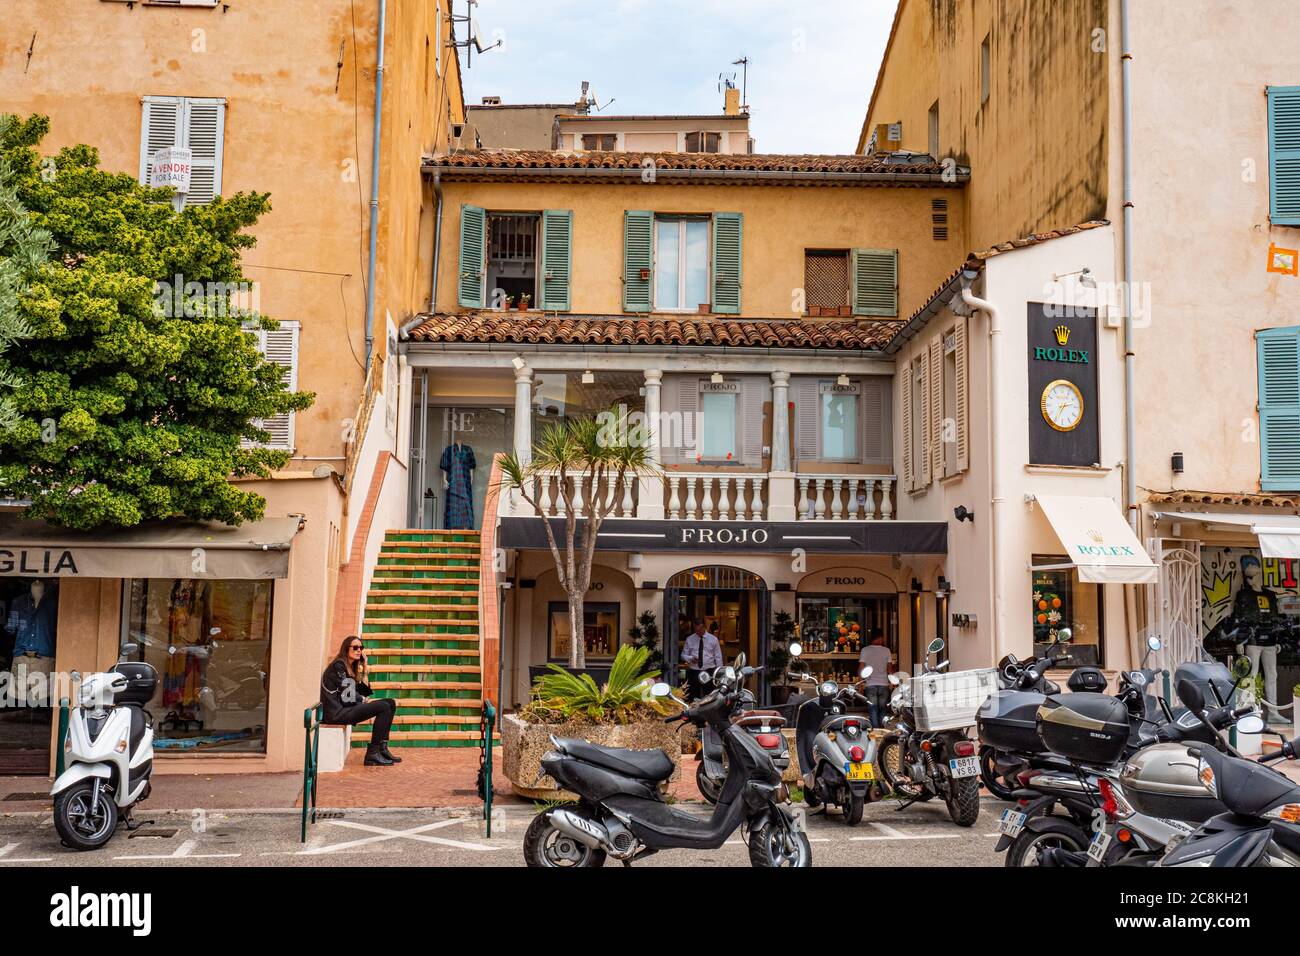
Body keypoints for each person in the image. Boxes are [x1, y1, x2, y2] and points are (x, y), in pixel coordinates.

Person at [321, 636, 401, 766]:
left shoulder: (350, 667)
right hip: (337, 713)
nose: (359, 650)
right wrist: (364, 700)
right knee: (384, 707)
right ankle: (373, 753)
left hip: (347, 708)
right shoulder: (338, 666)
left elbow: (364, 692)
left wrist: (364, 666)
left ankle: (382, 748)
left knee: (390, 703)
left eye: (361, 648)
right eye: (355, 647)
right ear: (346, 649)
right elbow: (350, 695)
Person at [1232, 555, 1284, 724]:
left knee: (1272, 675)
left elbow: (1275, 617)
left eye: (1251, 572)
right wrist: (1240, 639)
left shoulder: (1270, 595)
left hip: (1269, 640)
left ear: (1258, 572)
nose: (1249, 577)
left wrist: (1277, 639)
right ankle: (1250, 711)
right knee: (1251, 675)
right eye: (1247, 573)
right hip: (1253, 640)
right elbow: (1239, 617)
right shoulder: (1243, 595)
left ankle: (1274, 712)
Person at [857, 629, 893, 728]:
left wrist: (860, 682)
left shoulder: (865, 650)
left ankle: (875, 730)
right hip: (884, 684)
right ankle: (882, 731)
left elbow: (861, 667)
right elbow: (890, 669)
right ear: (880, 638)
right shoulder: (886, 650)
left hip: (870, 684)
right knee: (882, 710)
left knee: (872, 709)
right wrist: (893, 682)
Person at [681, 619, 723, 700]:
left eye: (700, 629)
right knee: (692, 696)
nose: (698, 632)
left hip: (709, 671)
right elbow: (683, 655)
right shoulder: (690, 639)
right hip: (694, 671)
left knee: (709, 696)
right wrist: (690, 658)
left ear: (704, 627)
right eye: (696, 630)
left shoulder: (713, 639)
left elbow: (718, 657)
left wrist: (719, 672)